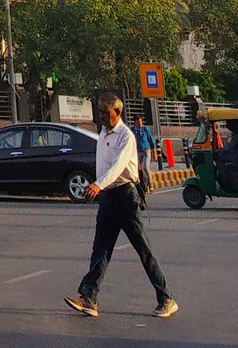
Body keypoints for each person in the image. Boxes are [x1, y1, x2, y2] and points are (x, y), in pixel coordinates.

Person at [64, 91, 177, 321]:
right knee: (100, 250)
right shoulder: (103, 133)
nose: (101, 116)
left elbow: (117, 166)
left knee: (143, 250)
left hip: (125, 197)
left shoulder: (126, 137)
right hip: (107, 198)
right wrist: (98, 187)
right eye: (99, 112)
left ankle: (166, 298)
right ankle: (89, 298)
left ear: (117, 112)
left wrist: (98, 184)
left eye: (105, 112)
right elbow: (102, 165)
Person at [135, 114, 156, 184]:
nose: (140, 123)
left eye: (141, 121)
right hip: (138, 152)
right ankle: (142, 184)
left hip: (146, 151)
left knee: (146, 167)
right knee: (138, 168)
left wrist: (154, 152)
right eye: (138, 122)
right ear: (135, 122)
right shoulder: (133, 130)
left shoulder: (145, 129)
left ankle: (151, 184)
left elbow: (151, 139)